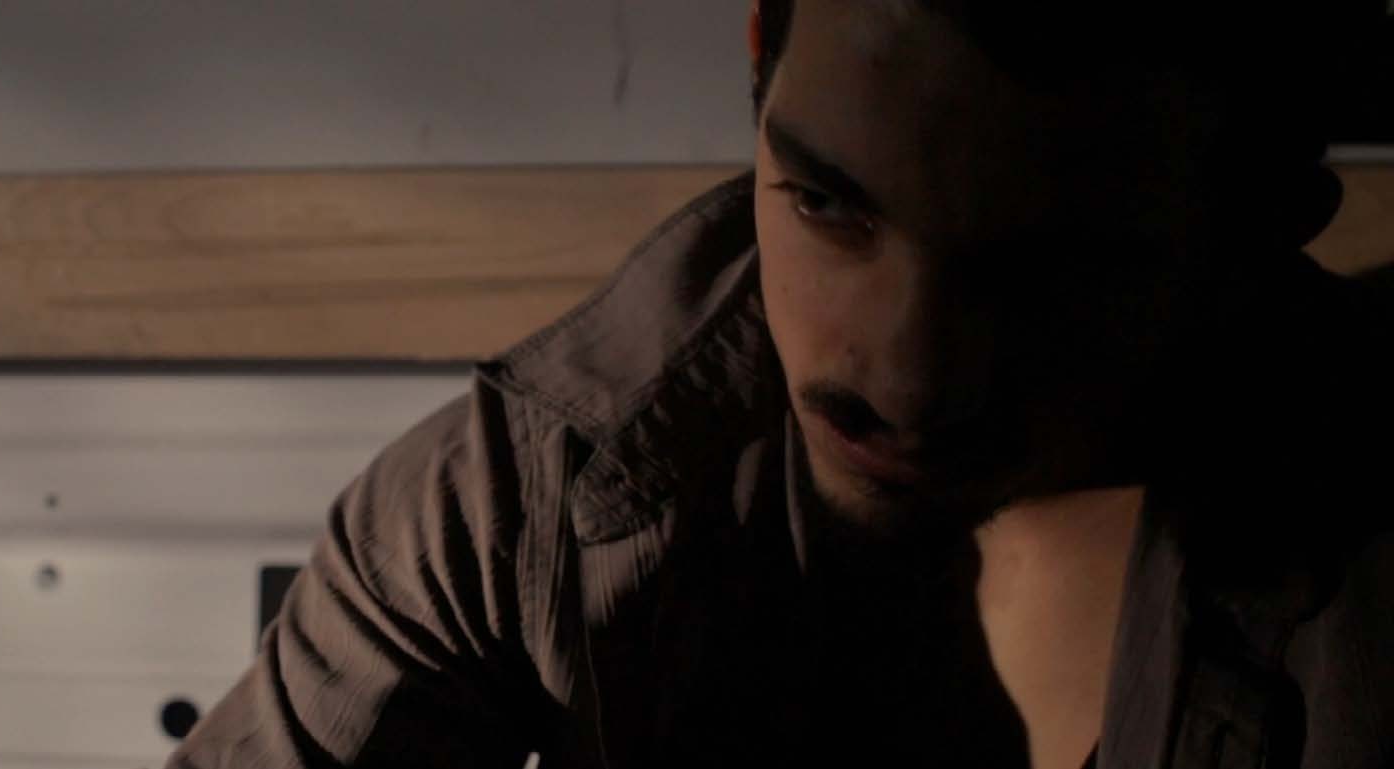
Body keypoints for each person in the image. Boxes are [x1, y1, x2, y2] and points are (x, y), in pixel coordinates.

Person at [165, 2, 1394, 767]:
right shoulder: (521, 501)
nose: (906, 377)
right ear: (760, 60)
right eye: (826, 204)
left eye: (1043, 274)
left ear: (1257, 230)